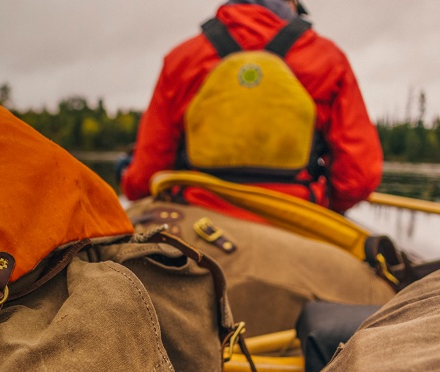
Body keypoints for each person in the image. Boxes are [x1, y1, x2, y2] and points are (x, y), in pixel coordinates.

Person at [120, 0, 382, 217]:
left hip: (198, 217)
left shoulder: (182, 59)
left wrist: (126, 173)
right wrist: (325, 206)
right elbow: (359, 178)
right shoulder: (328, 58)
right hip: (297, 217)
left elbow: (144, 180)